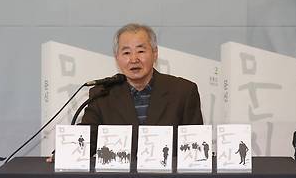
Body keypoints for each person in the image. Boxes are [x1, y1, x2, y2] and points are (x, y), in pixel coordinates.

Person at [80, 23, 204, 157]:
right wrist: (62, 154)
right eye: (126, 53)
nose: (134, 59)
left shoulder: (183, 91)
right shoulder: (102, 94)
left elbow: (194, 147)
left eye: (141, 51)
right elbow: (87, 139)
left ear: (155, 54)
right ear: (117, 58)